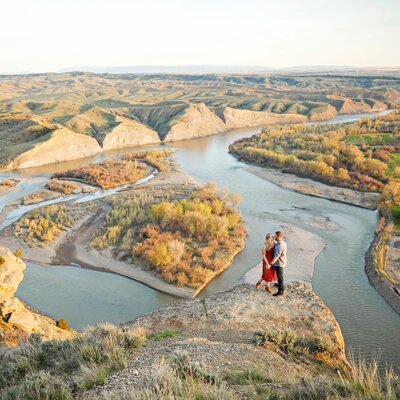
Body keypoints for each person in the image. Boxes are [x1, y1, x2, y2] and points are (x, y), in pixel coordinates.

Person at [269, 231, 287, 297]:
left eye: (275, 236)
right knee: (279, 276)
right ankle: (280, 285)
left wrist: (270, 264)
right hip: (281, 262)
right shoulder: (282, 243)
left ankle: (281, 291)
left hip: (279, 263)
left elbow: (277, 256)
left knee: (280, 277)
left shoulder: (280, 245)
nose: (274, 237)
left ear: (277, 236)